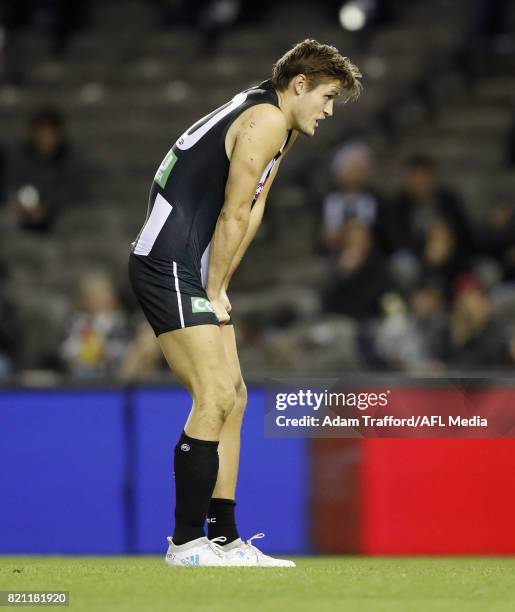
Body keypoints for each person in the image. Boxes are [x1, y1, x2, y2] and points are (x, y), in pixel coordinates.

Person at [128, 39, 361, 567]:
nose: (328, 111)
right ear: (298, 85)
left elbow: (253, 208)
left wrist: (221, 286)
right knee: (212, 396)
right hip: (168, 262)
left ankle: (225, 539)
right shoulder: (266, 120)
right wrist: (212, 290)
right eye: (326, 97)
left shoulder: (276, 120)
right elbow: (233, 214)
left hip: (189, 263)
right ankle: (186, 543)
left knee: (235, 396)